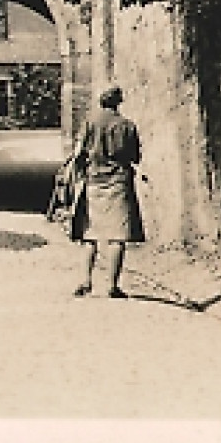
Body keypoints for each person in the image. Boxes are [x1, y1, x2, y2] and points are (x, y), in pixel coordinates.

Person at [70, 85, 145, 298]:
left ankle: (85, 280)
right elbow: (135, 157)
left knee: (89, 234)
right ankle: (112, 285)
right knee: (117, 237)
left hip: (93, 181)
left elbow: (78, 154)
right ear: (118, 103)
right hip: (119, 182)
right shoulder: (127, 126)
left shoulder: (89, 124)